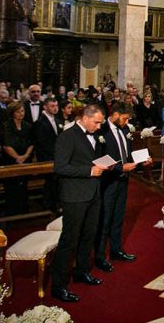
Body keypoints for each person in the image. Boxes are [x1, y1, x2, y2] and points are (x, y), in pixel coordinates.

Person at [51, 104, 111, 303]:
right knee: (70, 240)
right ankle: (58, 286)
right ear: (85, 118)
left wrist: (102, 165)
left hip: (94, 193)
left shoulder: (96, 135)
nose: (98, 126)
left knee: (89, 235)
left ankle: (81, 271)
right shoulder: (67, 136)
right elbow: (60, 168)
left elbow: (91, 159)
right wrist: (89, 171)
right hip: (75, 195)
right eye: (96, 122)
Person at [94, 102, 141, 272]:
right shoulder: (101, 130)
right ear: (115, 114)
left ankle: (116, 250)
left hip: (122, 181)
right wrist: (121, 167)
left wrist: (140, 161)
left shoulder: (125, 130)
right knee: (104, 220)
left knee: (118, 218)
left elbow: (127, 154)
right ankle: (99, 256)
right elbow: (99, 159)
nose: (127, 121)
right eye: (125, 118)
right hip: (107, 182)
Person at [1, 101, 33, 214]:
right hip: (11, 160)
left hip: (25, 159)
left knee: (23, 185)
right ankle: (12, 210)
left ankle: (24, 209)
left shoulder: (27, 125)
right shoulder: (6, 125)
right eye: (18, 111)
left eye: (22, 111)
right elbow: (6, 144)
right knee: (12, 186)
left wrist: (25, 156)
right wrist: (17, 158)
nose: (21, 113)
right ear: (12, 113)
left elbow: (31, 142)